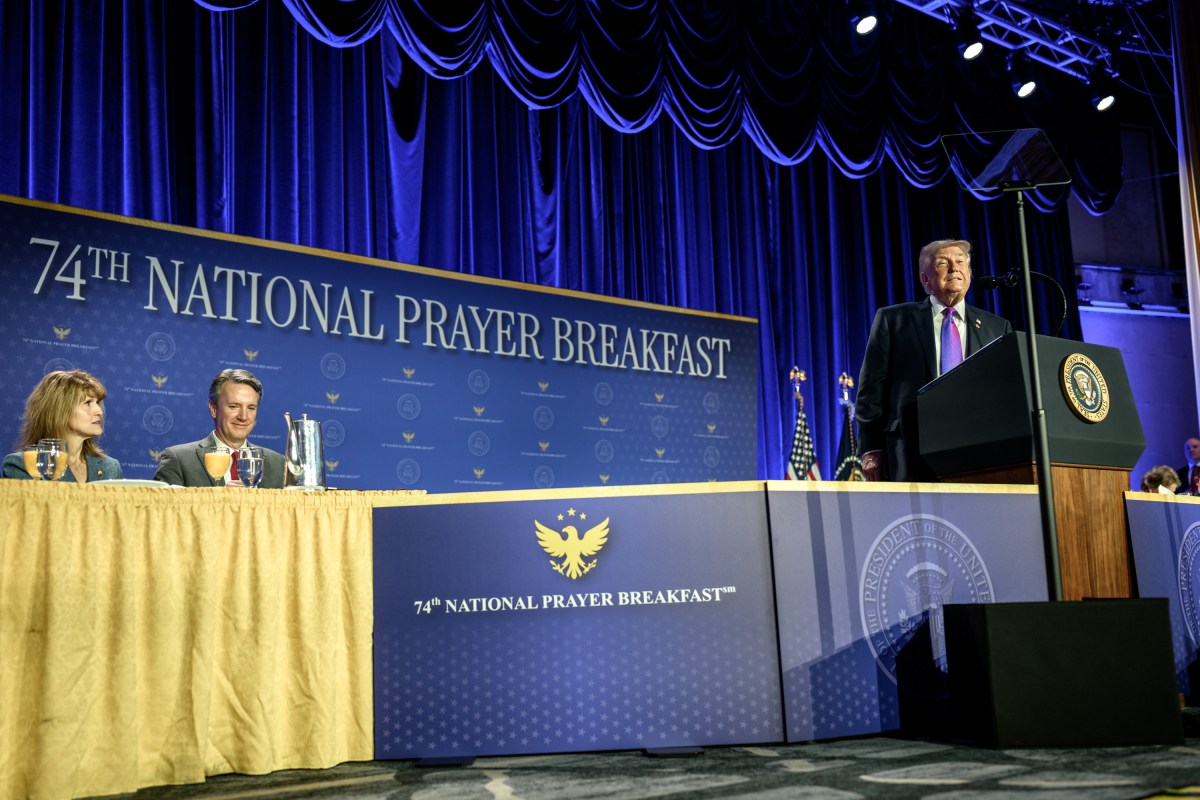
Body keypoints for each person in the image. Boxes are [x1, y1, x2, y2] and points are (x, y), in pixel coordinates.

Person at [855, 238, 1012, 482]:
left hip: (978, 450)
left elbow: (1003, 393)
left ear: (969, 273)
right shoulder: (893, 320)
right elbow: (870, 390)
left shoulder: (997, 327)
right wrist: (870, 447)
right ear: (925, 279)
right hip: (909, 449)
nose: (954, 268)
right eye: (942, 263)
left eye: (961, 262)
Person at [153, 368, 286, 487]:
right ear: (213, 409)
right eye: (234, 406)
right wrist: (220, 499)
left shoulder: (278, 464)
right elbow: (163, 512)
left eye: (251, 408)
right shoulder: (179, 460)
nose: (243, 416)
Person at [3, 370, 123, 482]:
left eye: (97, 402)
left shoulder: (111, 468)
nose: (99, 411)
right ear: (60, 411)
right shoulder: (24, 465)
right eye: (88, 403)